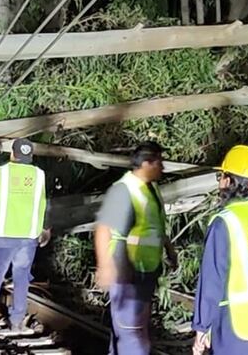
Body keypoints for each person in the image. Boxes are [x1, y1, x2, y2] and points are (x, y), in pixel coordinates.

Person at [192, 145, 248, 355]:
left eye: (222, 175)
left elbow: (212, 281)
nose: (220, 182)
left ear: (230, 181)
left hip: (235, 324)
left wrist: (202, 326)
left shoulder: (224, 223)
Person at [94, 141, 177, 354]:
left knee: (126, 330)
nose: (163, 167)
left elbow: (153, 225)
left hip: (146, 270)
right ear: (146, 163)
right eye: (159, 162)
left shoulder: (151, 189)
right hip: (127, 271)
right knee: (133, 334)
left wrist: (169, 249)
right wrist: (105, 267)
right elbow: (103, 228)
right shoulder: (124, 190)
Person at [0, 137, 51, 331]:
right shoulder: (39, 175)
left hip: (3, 233)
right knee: (21, 277)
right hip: (28, 236)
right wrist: (46, 228)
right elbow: (45, 203)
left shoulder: (0, 173)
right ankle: (16, 322)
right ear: (30, 156)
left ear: (12, 154)